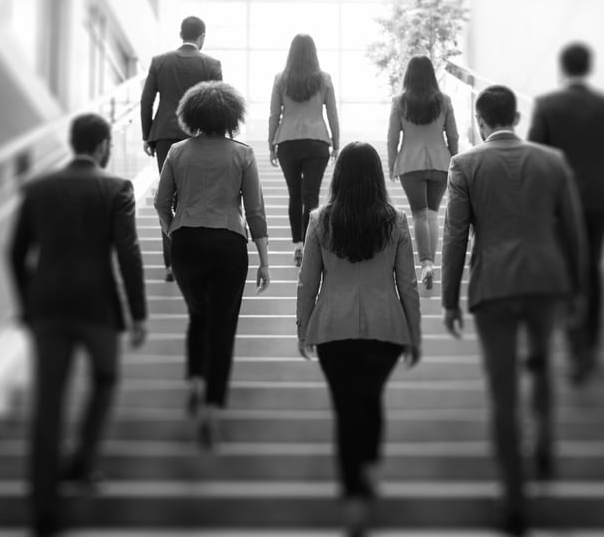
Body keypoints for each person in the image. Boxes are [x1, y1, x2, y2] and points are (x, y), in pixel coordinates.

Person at [441, 86, 586, 536]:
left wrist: (449, 299)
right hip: (546, 281)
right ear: (518, 117)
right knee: (541, 363)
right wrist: (578, 289)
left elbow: (455, 236)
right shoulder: (553, 161)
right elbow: (575, 231)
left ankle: (514, 496)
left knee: (503, 390)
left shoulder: (465, 164)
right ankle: (543, 440)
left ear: (480, 121)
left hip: (495, 285)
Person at [7, 113, 148, 537]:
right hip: (97, 308)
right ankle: (82, 462)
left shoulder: (38, 189)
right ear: (104, 146)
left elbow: (15, 254)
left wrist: (27, 307)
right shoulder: (115, 188)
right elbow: (128, 253)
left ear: (73, 144)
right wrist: (138, 313)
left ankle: (44, 512)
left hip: (47, 308)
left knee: (48, 404)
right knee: (104, 380)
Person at [297, 142, 421, 537]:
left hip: (334, 328)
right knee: (369, 400)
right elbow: (408, 285)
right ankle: (366, 467)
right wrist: (414, 335)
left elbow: (308, 283)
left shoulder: (319, 220)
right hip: (385, 329)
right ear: (376, 176)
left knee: (346, 409)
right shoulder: (396, 220)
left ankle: (353, 495)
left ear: (339, 176)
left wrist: (303, 328)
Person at [154, 81, 270, 450]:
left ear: (193, 114)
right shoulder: (243, 154)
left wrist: (174, 230)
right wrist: (265, 260)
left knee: (198, 316)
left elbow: (160, 203)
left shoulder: (176, 151)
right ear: (230, 115)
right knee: (222, 327)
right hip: (228, 243)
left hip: (186, 242)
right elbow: (254, 211)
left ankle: (195, 381)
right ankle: (212, 411)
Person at [527, 42, 604, 384]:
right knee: (593, 269)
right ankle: (589, 346)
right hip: (599, 203)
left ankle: (574, 344)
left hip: (561, 204)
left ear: (562, 67)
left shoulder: (547, 105)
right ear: (589, 67)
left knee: (566, 270)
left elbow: (534, 157)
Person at [140, 15, 223, 282]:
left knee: (167, 196)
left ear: (180, 34)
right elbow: (219, 103)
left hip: (164, 135)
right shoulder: (211, 64)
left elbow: (146, 101)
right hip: (199, 136)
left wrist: (147, 136)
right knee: (195, 196)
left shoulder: (159, 62)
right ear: (202, 36)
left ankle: (171, 264)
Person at [387, 55, 459, 289]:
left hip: (411, 163)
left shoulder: (400, 101)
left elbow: (392, 137)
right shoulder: (444, 101)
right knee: (433, 214)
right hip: (440, 162)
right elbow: (453, 136)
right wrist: (455, 161)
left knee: (418, 214)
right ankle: (433, 264)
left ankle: (426, 264)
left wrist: (391, 164)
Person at [268, 33, 340, 267]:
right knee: (311, 196)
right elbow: (332, 115)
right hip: (317, 142)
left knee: (294, 195)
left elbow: (274, 115)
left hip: (288, 142)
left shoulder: (281, 79)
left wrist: (271, 143)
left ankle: (297, 245)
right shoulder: (324, 79)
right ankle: (309, 246)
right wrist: (336, 144)